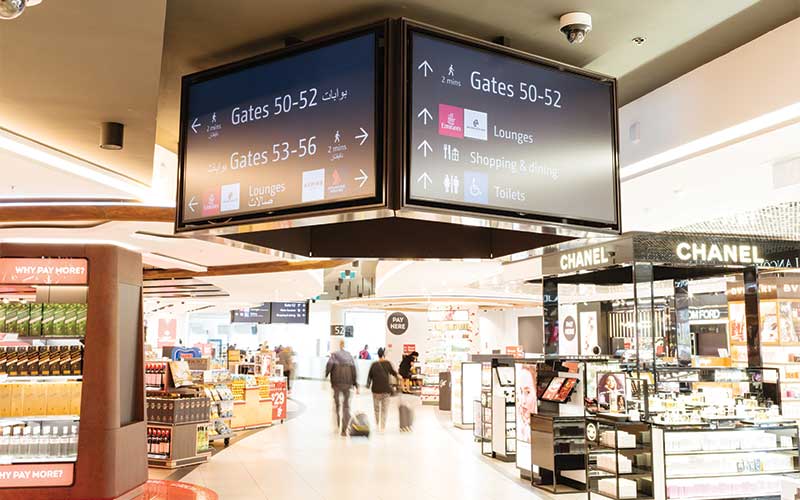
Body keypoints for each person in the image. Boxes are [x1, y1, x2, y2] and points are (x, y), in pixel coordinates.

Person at [325, 340, 358, 436]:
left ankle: (338, 422)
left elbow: (329, 366)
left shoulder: (334, 356)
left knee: (337, 404)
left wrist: (326, 375)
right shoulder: (349, 356)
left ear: (339, 345)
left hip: (336, 383)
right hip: (348, 384)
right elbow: (353, 370)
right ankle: (344, 429)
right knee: (346, 406)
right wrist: (355, 383)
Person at [366, 348, 397, 433]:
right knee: (384, 409)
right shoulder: (387, 363)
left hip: (375, 390)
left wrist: (368, 385)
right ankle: (382, 427)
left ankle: (377, 424)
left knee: (376, 409)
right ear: (383, 354)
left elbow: (369, 377)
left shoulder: (374, 364)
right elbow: (393, 373)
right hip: (385, 390)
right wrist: (399, 377)